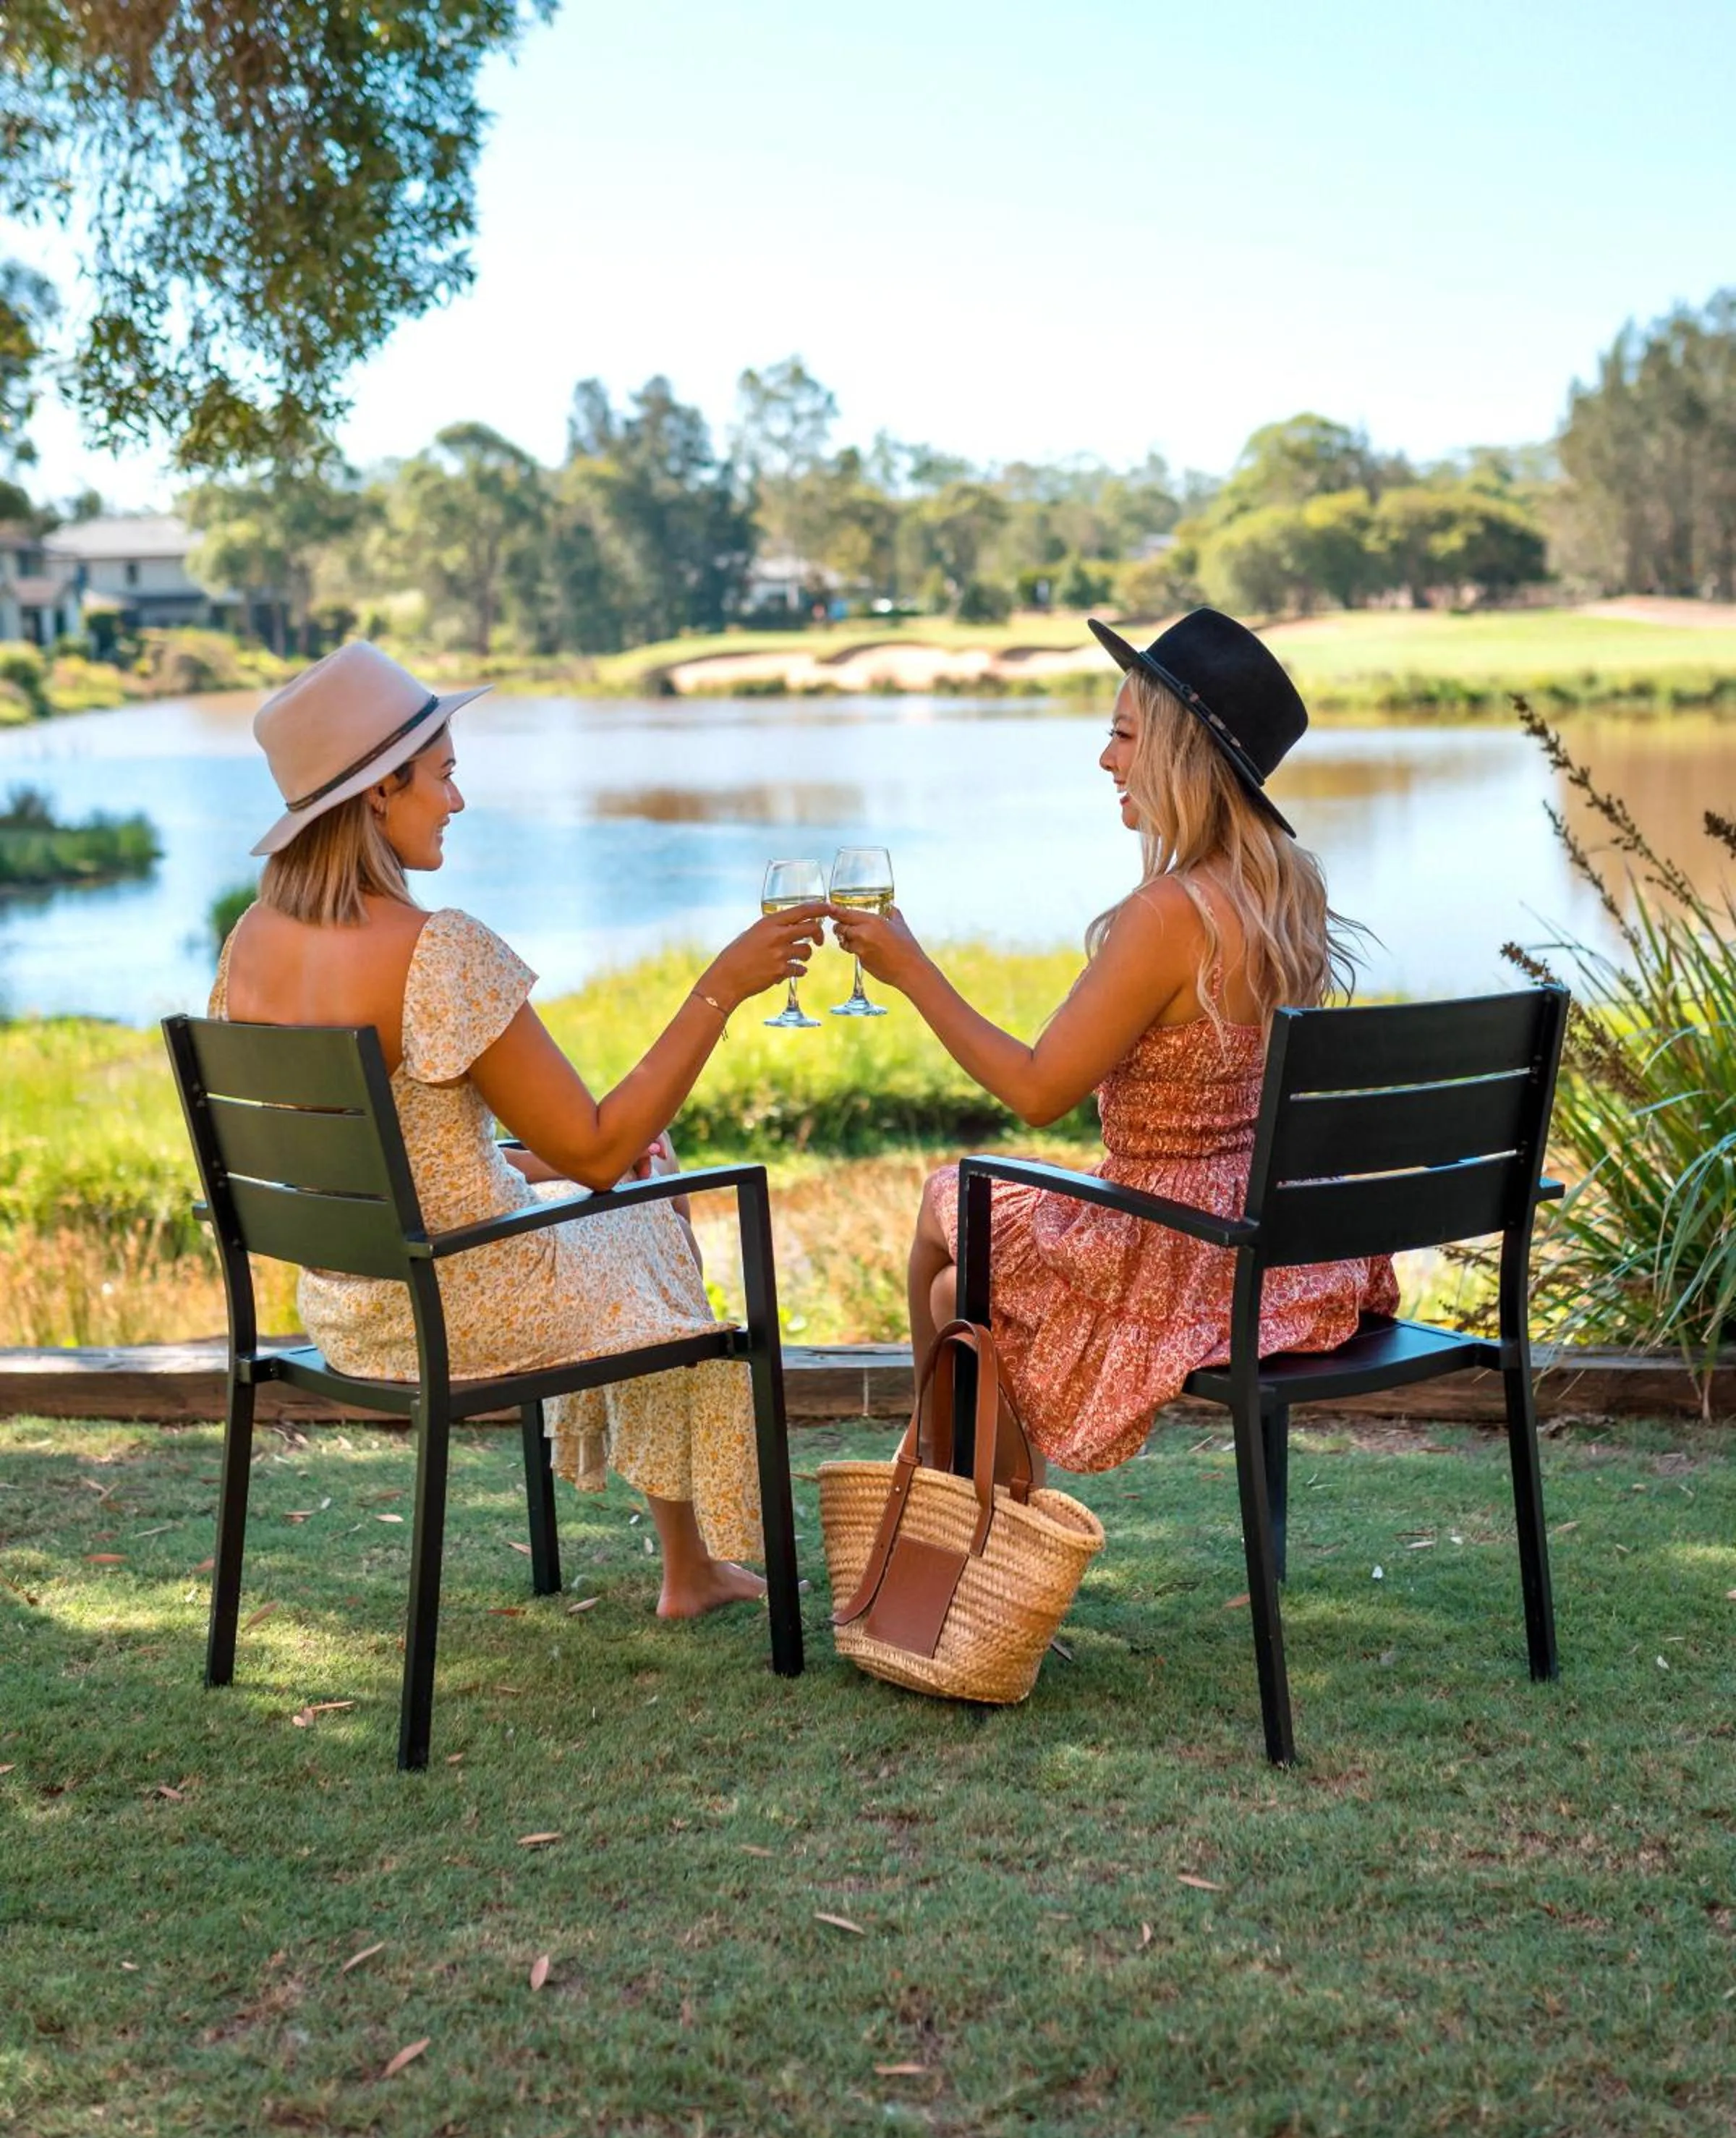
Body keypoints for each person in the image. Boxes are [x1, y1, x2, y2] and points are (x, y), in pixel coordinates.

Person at [211, 641, 826, 1618]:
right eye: (444, 776)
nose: (456, 800)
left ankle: (692, 1569)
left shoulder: (252, 940)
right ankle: (691, 1567)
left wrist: (559, 1164)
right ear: (380, 791)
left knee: (618, 1194)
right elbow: (592, 1144)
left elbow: (379, 1145)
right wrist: (723, 986)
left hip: (347, 1305)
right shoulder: (438, 949)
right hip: (455, 1305)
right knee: (648, 1213)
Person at [830, 608, 1400, 1481]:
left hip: (1174, 1245)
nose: (1107, 759)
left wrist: (912, 972)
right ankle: (962, 1498)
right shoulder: (1290, 888)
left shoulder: (1168, 915)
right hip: (1286, 1239)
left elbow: (1035, 1090)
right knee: (954, 1296)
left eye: (1124, 735)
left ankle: (952, 1509)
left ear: (1181, 753)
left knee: (949, 1197)